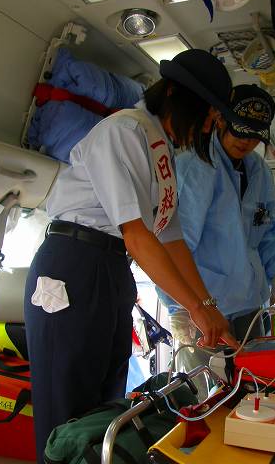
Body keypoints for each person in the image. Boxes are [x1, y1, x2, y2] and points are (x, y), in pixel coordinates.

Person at [24, 49, 241, 463]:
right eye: (207, 111)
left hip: (109, 269)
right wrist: (196, 309)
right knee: (65, 412)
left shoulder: (162, 152)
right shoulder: (124, 131)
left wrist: (208, 305)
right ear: (174, 93)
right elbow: (137, 235)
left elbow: (171, 239)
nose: (209, 125)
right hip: (72, 265)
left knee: (105, 408)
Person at [158, 84, 275, 399]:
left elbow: (267, 231)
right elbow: (173, 244)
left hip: (249, 305)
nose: (246, 141)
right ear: (220, 120)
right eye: (240, 131)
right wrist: (179, 306)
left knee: (254, 394)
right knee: (204, 398)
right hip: (202, 308)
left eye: (254, 136)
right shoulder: (194, 167)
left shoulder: (260, 173)